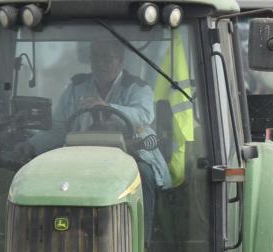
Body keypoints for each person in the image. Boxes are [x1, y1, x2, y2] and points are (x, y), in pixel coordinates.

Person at [30, 35, 171, 199]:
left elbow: (143, 115)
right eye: (95, 57)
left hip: (131, 154)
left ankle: (145, 225)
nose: (100, 63)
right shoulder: (76, 89)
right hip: (81, 157)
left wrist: (108, 108)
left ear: (120, 61)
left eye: (107, 58)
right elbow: (58, 130)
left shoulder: (137, 88)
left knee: (143, 176)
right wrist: (32, 145)